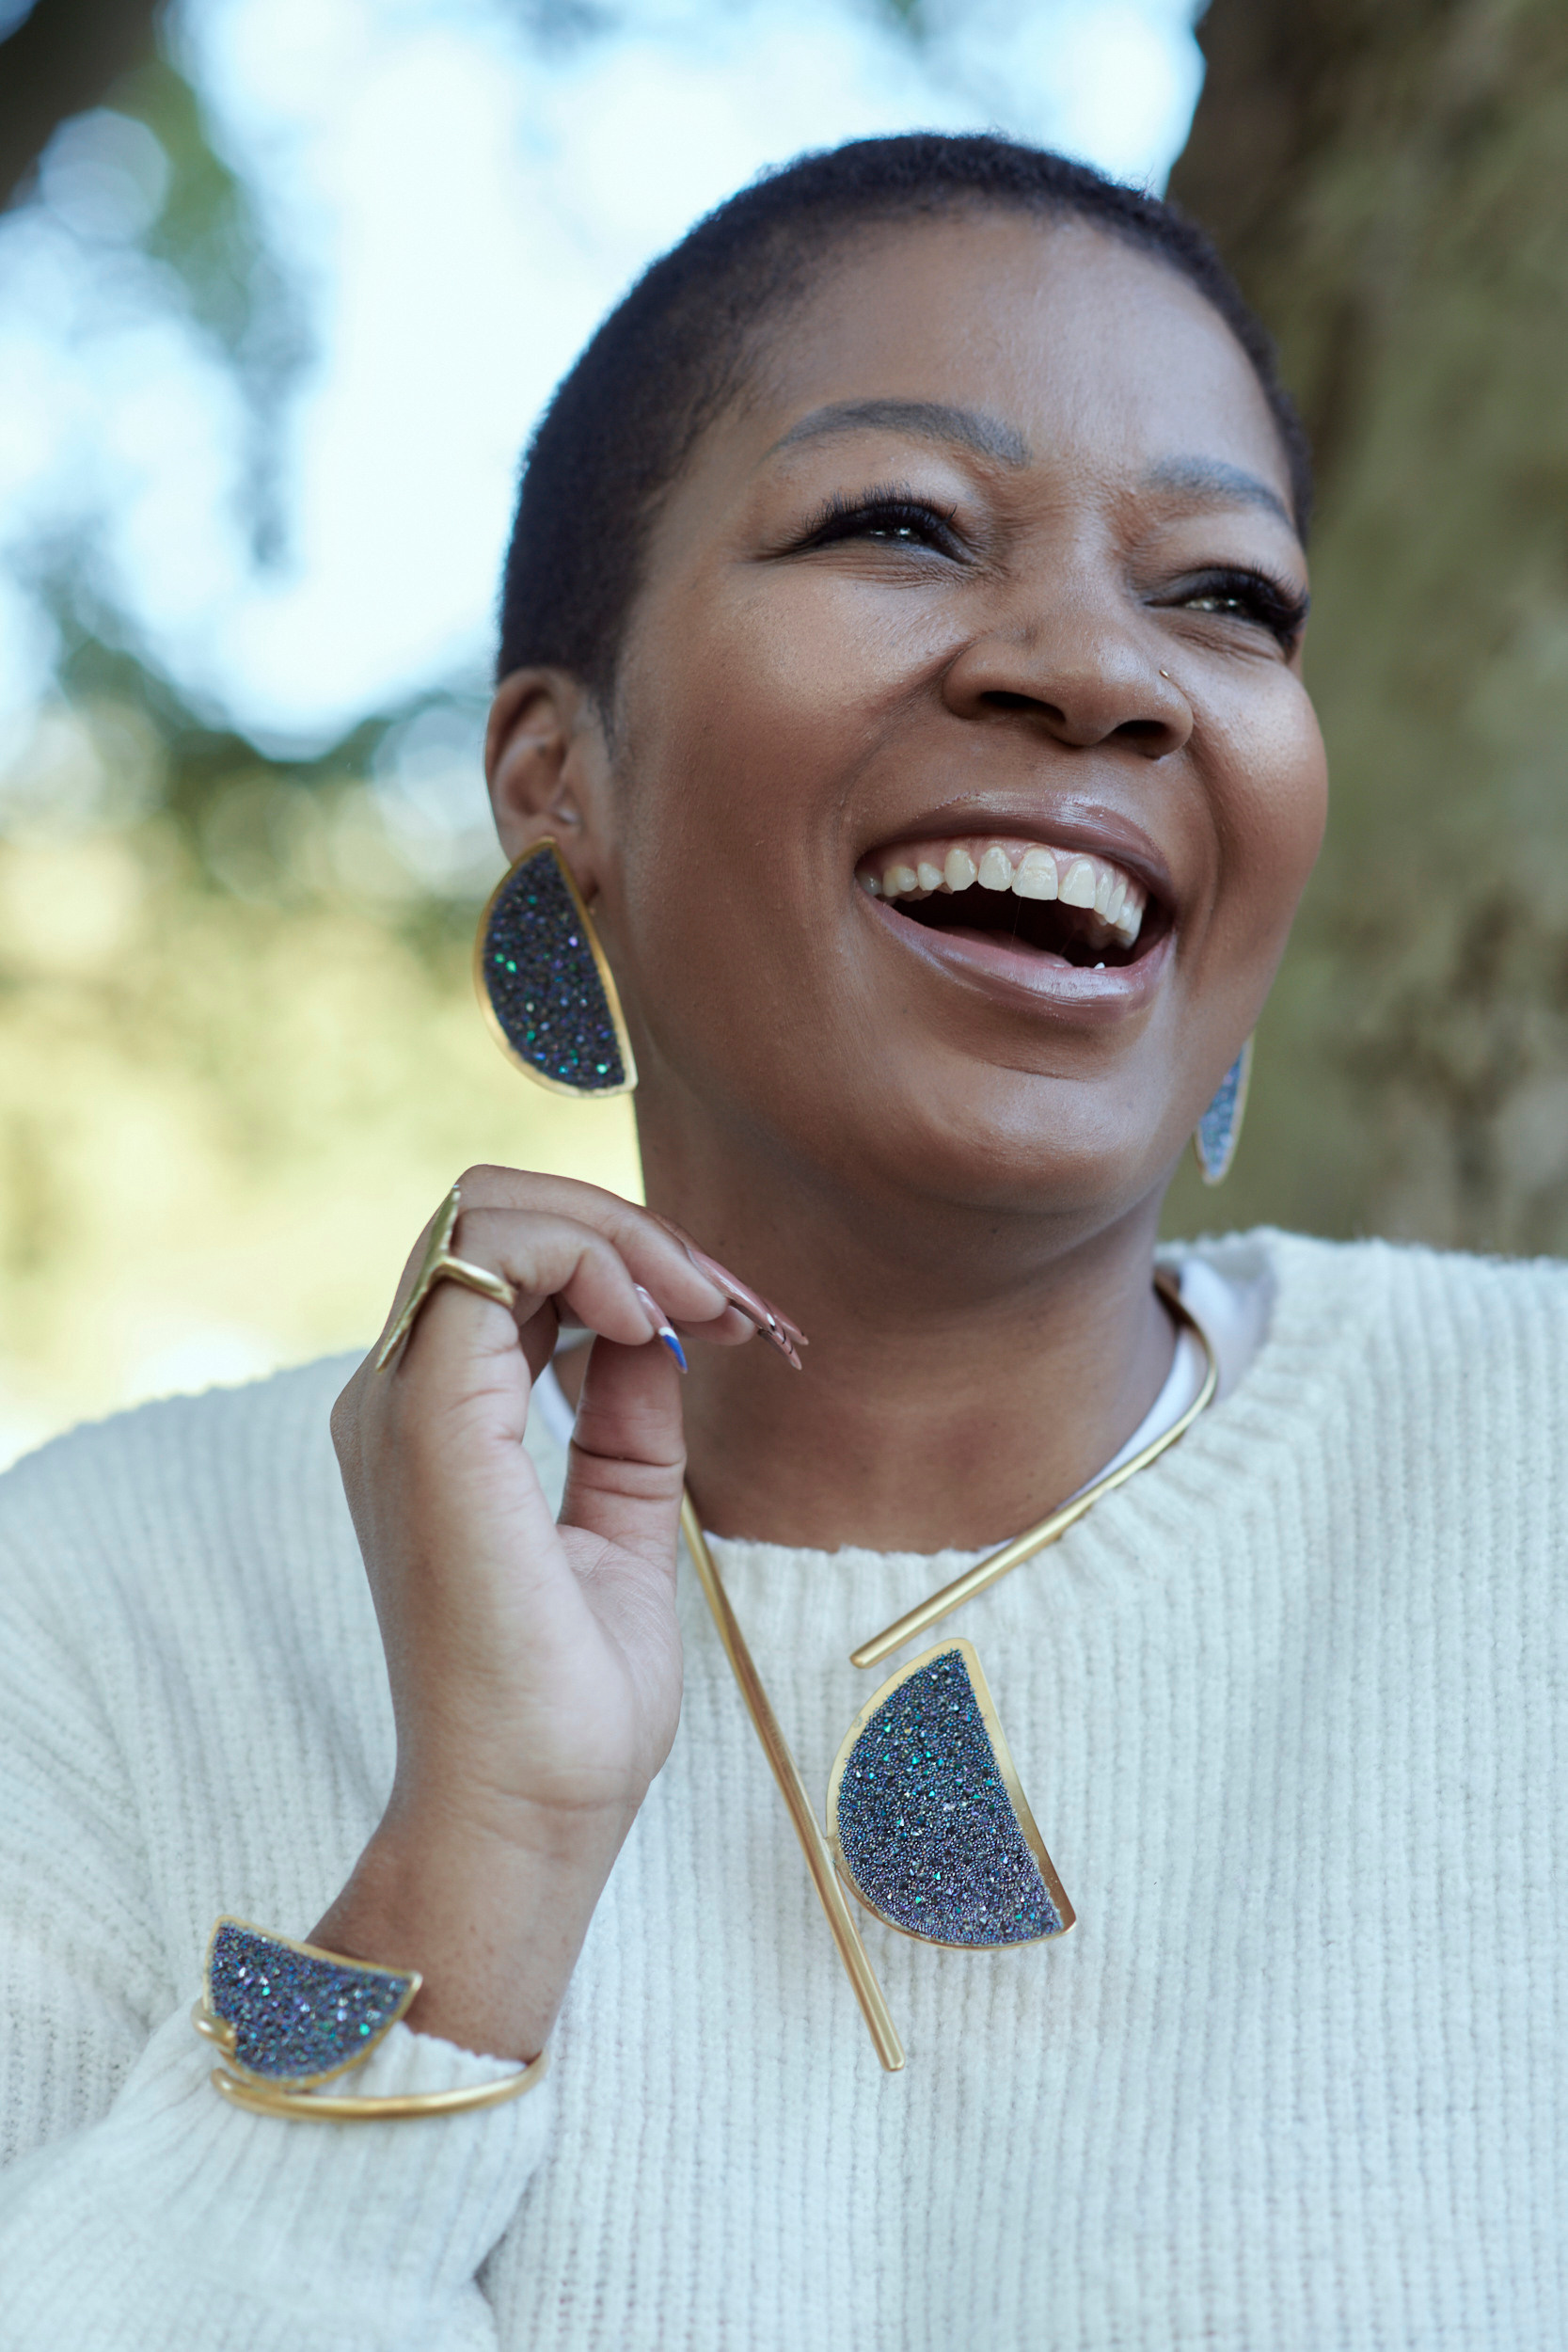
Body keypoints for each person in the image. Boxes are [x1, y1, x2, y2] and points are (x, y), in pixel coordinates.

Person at [0, 133, 1561, 2352]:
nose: (1100, 674)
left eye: (1224, 594)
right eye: (904, 524)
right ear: (562, 774)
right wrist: (475, 1874)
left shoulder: (1531, 1478)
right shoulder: (98, 1614)